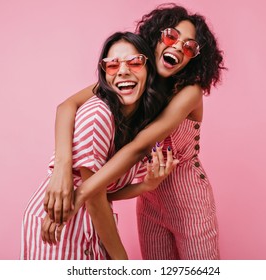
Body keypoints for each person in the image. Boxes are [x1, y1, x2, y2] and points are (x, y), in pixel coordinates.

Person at [44, 3, 225, 259]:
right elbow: (67, 106)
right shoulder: (133, 77)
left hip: (190, 199)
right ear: (156, 36)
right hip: (149, 195)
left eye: (189, 46)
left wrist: (78, 196)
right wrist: (62, 169)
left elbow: (140, 146)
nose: (177, 47)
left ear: (194, 58)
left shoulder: (190, 92)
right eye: (171, 36)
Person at [21, 31, 178, 260]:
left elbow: (103, 191)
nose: (123, 70)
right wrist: (122, 263)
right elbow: (94, 199)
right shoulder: (98, 114)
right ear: (105, 74)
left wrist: (145, 186)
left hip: (89, 229)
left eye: (134, 62)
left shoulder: (136, 120)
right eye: (112, 65)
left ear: (148, 70)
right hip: (59, 228)